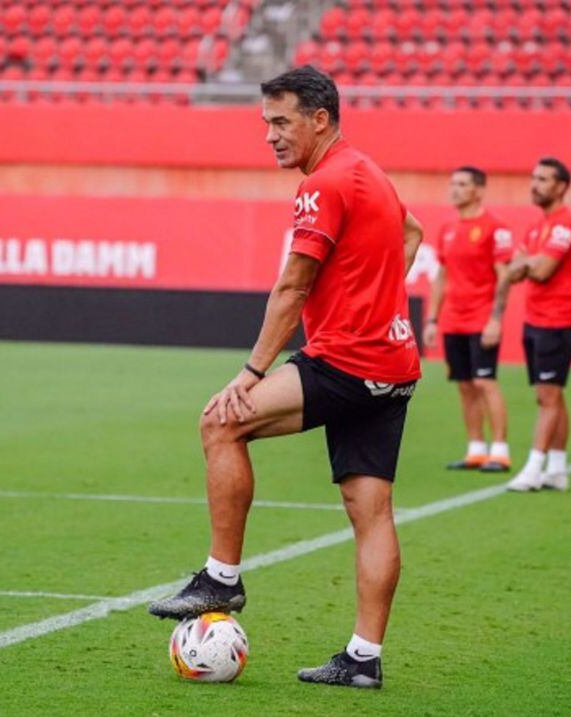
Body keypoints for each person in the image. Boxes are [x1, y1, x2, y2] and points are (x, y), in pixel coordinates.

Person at [147, 66, 424, 689]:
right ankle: (362, 658)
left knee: (221, 421)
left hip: (347, 360)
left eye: (281, 122)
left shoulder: (323, 183)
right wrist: (375, 301)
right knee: (370, 511)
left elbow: (294, 284)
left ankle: (221, 577)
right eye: (265, 124)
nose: (270, 136)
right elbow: (413, 233)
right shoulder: (368, 170)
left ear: (319, 119)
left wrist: (251, 372)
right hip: (394, 364)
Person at [423, 166, 514, 473]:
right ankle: (476, 448)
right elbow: (442, 276)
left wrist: (495, 320)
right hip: (453, 320)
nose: (455, 189)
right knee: (464, 384)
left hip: (481, 319)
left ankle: (500, 450)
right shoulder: (447, 228)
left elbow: (505, 278)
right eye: (453, 183)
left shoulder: (495, 228)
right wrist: (433, 319)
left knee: (485, 381)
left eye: (462, 184)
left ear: (478, 190)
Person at [504, 158, 571, 492]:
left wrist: (529, 262)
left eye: (543, 179)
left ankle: (533, 468)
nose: (534, 184)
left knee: (548, 396)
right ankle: (558, 469)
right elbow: (514, 269)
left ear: (562, 186)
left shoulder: (567, 225)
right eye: (533, 177)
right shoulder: (537, 226)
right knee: (549, 394)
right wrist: (527, 262)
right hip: (534, 318)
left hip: (559, 319)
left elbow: (540, 271)